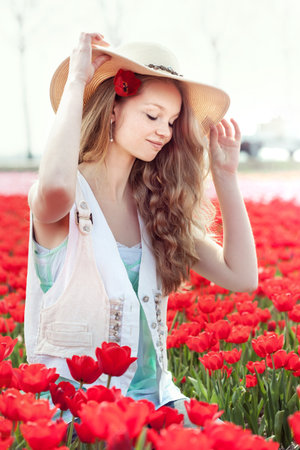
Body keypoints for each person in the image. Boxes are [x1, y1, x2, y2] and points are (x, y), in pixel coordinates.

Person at [24, 32, 258, 428]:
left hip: (156, 403)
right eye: (152, 116)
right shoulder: (66, 201)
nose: (165, 132)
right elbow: (56, 187)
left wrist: (226, 176)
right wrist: (78, 81)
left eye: (171, 121)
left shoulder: (156, 208)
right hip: (79, 410)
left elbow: (243, 276)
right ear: (113, 109)